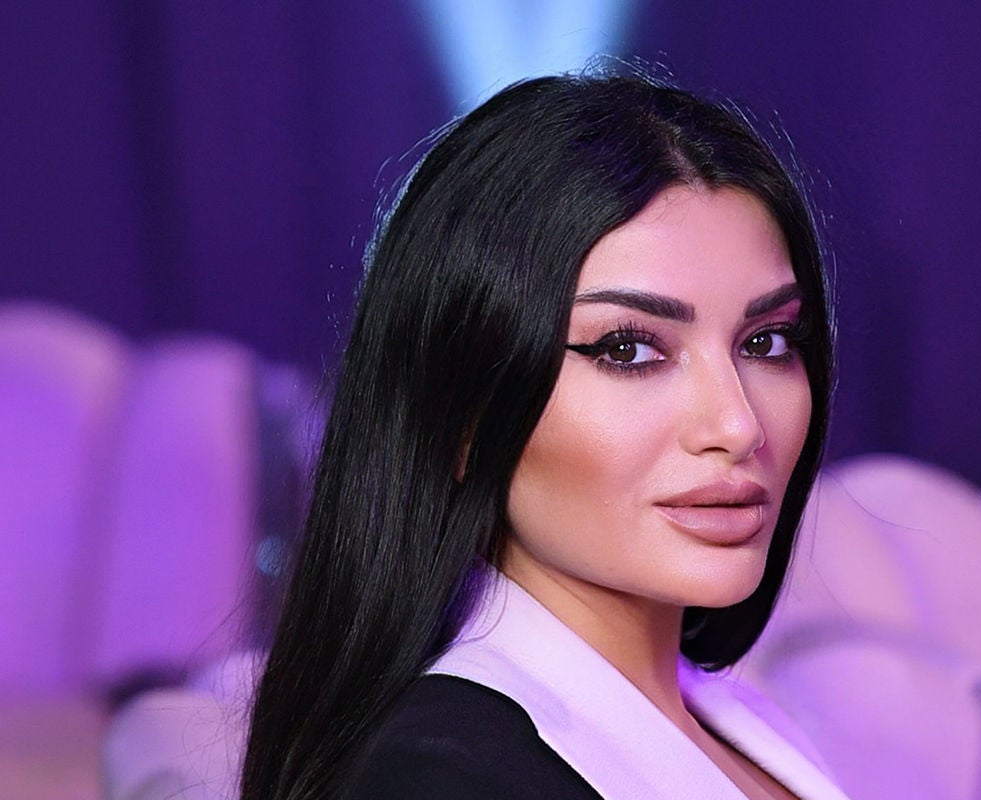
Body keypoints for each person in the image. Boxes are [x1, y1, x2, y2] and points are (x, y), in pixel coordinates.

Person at [241, 71, 845, 800]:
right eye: (628, 349)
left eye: (767, 342)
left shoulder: (745, 723)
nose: (738, 425)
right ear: (460, 413)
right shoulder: (439, 777)